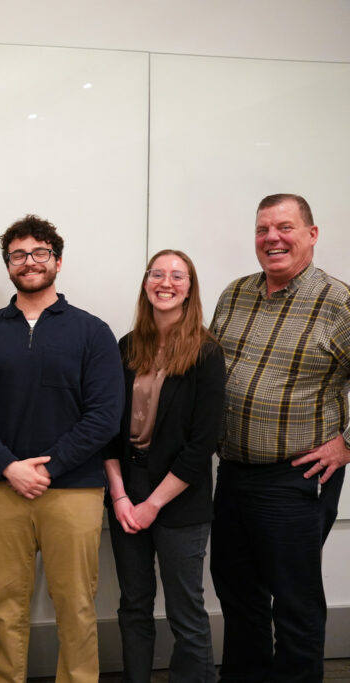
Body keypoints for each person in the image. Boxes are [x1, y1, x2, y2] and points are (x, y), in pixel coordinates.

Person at [0, 214, 123, 683]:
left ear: (58, 260)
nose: (28, 262)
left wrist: (49, 469)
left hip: (75, 491)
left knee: (77, 607)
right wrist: (10, 466)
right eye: (18, 255)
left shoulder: (93, 332)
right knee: (5, 608)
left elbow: (104, 416)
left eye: (39, 253)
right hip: (0, 488)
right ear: (7, 265)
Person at [210, 193, 350, 682]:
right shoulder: (236, 293)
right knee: (238, 591)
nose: (273, 238)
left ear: (312, 234)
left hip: (294, 477)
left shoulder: (340, 304)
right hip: (232, 472)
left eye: (285, 227)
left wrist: (347, 442)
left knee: (294, 601)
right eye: (263, 229)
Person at [103, 250, 224, 683]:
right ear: (146, 283)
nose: (166, 282)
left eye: (178, 275)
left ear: (190, 288)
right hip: (125, 488)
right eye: (157, 274)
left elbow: (201, 444)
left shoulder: (207, 353)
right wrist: (119, 495)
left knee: (185, 609)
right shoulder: (126, 345)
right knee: (133, 604)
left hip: (180, 497)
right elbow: (107, 431)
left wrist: (151, 505)